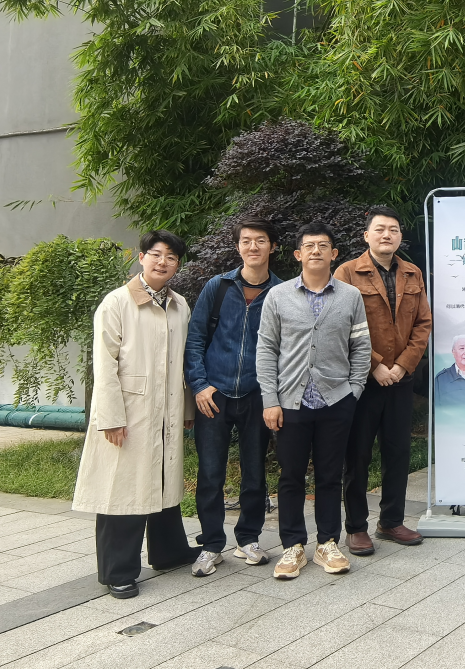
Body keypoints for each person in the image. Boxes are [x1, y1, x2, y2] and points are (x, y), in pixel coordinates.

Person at [72, 230, 198, 599]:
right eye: (156, 254)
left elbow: (183, 362)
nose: (163, 262)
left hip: (167, 408)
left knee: (162, 478)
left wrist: (186, 407)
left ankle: (169, 552)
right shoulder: (116, 303)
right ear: (141, 257)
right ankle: (118, 571)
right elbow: (104, 365)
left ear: (177, 265)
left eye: (171, 257)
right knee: (123, 488)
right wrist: (111, 418)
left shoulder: (180, 305)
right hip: (129, 411)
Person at [256, 222, 371, 581]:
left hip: (336, 400)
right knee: (290, 476)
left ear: (334, 254)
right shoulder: (278, 296)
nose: (316, 251)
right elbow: (266, 349)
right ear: (298, 254)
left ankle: (327, 543)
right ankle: (292, 545)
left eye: (323, 246)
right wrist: (270, 399)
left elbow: (361, 347)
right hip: (291, 402)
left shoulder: (350, 296)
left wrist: (353, 392)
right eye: (309, 246)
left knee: (329, 476)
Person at [183, 218, 282, 577]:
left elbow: (286, 348)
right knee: (211, 473)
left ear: (273, 247)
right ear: (238, 246)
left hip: (257, 393)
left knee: (255, 472)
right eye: (246, 241)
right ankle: (211, 545)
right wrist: (199, 385)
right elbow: (195, 338)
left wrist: (273, 395)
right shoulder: (219, 286)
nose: (253, 247)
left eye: (261, 240)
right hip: (215, 393)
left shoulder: (282, 292)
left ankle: (248, 539)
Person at [334, 206, 432, 555]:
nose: (386, 234)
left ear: (400, 236)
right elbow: (341, 325)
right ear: (366, 235)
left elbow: (423, 323)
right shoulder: (347, 272)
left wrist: (403, 366)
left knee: (398, 452)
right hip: (361, 381)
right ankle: (356, 527)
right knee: (357, 454)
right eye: (379, 229)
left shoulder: (412, 272)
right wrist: (374, 365)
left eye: (393, 229)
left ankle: (391, 521)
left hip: (401, 380)